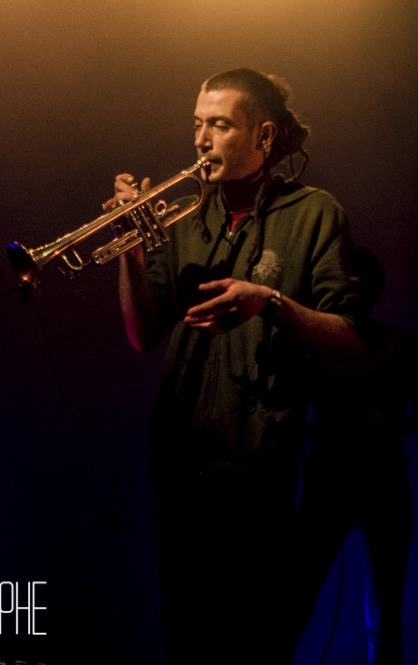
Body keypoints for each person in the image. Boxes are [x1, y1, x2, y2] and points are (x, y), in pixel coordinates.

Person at [105, 68, 368, 664]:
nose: (201, 140)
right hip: (178, 467)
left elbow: (353, 338)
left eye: (220, 125)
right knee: (184, 641)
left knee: (248, 645)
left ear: (264, 136)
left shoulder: (314, 213)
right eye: (198, 124)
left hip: (256, 469)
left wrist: (269, 302)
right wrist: (130, 250)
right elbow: (142, 336)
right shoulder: (184, 218)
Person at [291, 247, 415, 665]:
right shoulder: (315, 349)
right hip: (347, 484)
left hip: (369, 485)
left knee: (379, 607)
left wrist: (386, 424)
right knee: (303, 597)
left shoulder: (397, 345)